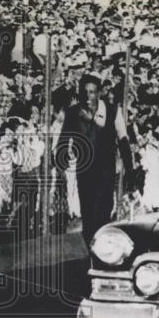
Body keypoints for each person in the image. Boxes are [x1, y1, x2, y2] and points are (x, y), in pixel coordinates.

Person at [56, 74, 131, 248]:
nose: (88, 96)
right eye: (84, 92)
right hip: (85, 171)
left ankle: (103, 254)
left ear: (98, 94)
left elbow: (123, 139)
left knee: (103, 214)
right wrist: (62, 157)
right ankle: (90, 256)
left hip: (105, 172)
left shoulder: (112, 111)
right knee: (88, 217)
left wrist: (130, 167)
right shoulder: (73, 112)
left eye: (92, 92)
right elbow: (64, 140)